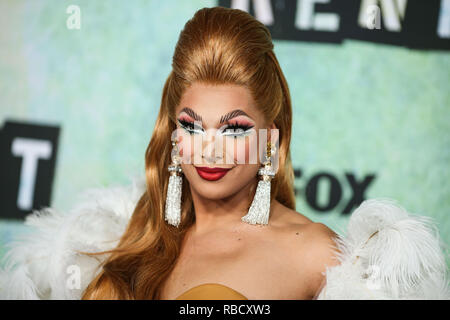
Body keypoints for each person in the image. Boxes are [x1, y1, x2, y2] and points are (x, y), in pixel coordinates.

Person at [0, 7, 448, 300]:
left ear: (269, 141)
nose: (210, 149)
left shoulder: (318, 256)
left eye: (234, 129)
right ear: (174, 136)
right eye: (192, 125)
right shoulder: (132, 239)